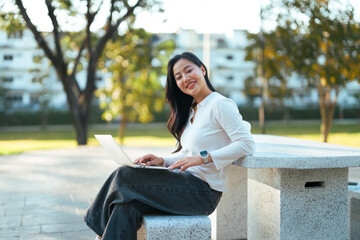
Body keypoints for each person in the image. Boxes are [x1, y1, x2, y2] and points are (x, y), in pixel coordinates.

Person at [84, 52, 256, 240]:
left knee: (124, 174)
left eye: (188, 70)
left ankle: (97, 230)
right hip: (182, 185)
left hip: (202, 194)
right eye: (178, 77)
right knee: (126, 206)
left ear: (203, 70)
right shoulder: (193, 111)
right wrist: (163, 160)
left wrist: (203, 158)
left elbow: (246, 143)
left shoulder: (220, 104)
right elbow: (188, 154)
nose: (185, 79)